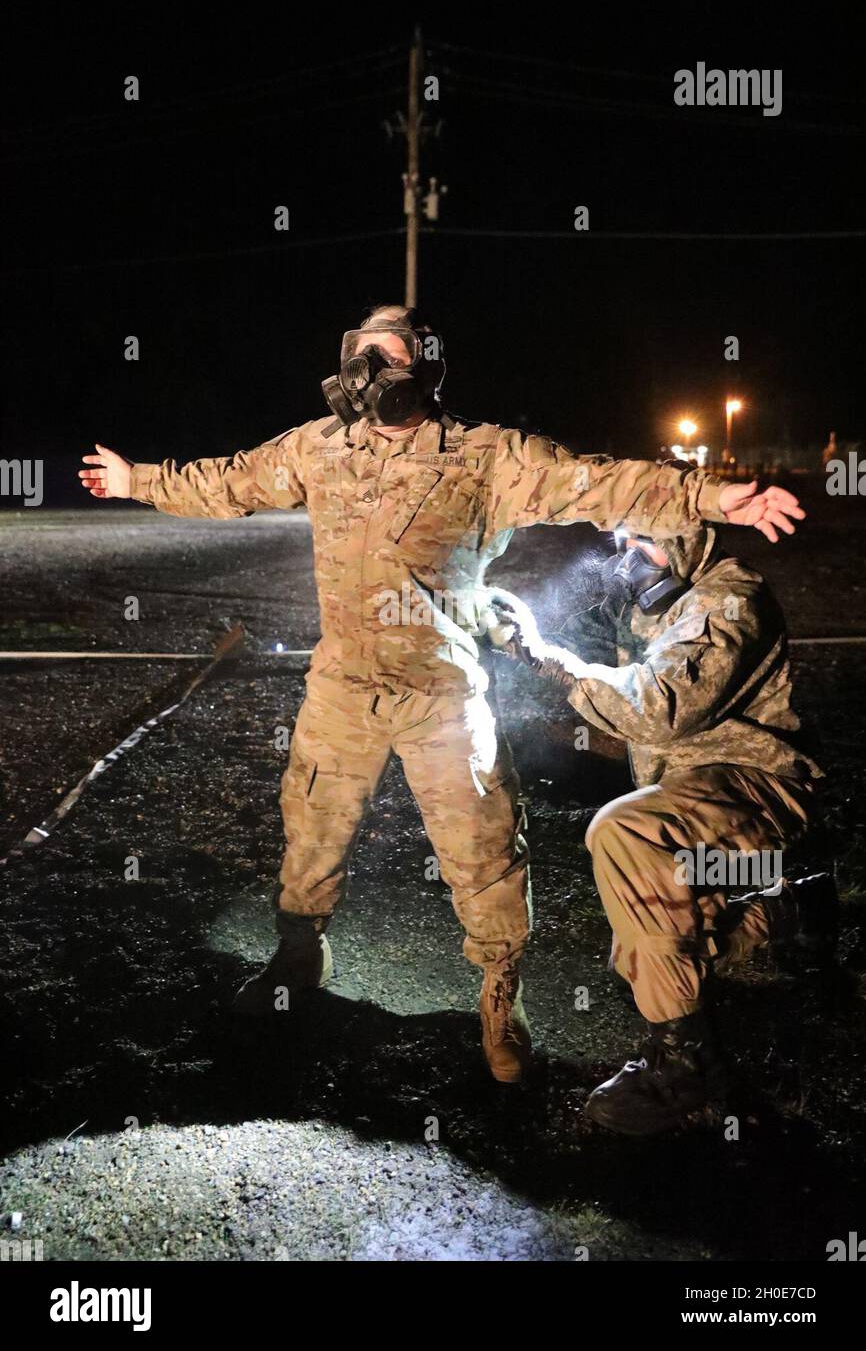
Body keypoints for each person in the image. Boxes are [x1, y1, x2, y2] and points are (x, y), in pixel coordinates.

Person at [78, 304, 806, 1085]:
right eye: (359, 356)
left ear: (424, 370)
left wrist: (713, 498)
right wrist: (135, 481)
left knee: (483, 855)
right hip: (343, 688)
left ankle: (500, 998)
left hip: (442, 697)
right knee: (311, 835)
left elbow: (595, 480)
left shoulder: (486, 458)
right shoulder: (317, 448)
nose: (367, 375)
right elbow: (226, 482)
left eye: (386, 359)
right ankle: (297, 961)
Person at [487, 524, 832, 1131]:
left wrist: (542, 654)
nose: (624, 558)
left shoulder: (728, 602)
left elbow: (656, 708)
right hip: (713, 833)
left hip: (763, 798)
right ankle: (789, 907)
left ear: (686, 539)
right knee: (650, 917)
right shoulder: (660, 603)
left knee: (626, 839)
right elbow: (576, 647)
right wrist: (504, 617)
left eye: (640, 542)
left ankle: (685, 1066)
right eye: (617, 541)